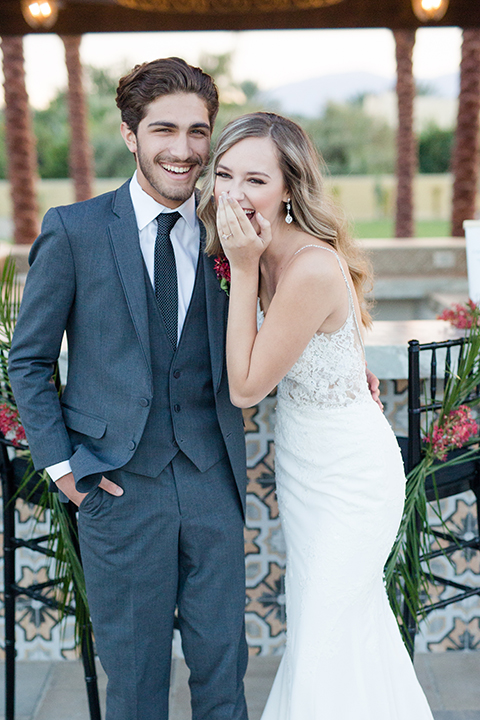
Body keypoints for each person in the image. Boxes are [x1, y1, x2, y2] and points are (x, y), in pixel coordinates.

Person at [8, 58, 249, 720]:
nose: (184, 149)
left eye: (198, 131)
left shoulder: (228, 232)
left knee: (225, 679)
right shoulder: (75, 230)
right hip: (118, 485)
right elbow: (27, 360)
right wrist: (63, 470)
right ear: (130, 134)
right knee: (137, 689)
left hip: (213, 480)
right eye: (164, 129)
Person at [198, 111, 434, 720]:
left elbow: (247, 387)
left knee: (328, 627)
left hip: (350, 476)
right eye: (224, 175)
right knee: (333, 627)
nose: (234, 193)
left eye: (255, 180)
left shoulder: (302, 267)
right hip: (303, 469)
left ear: (288, 189)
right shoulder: (254, 252)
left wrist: (244, 267)